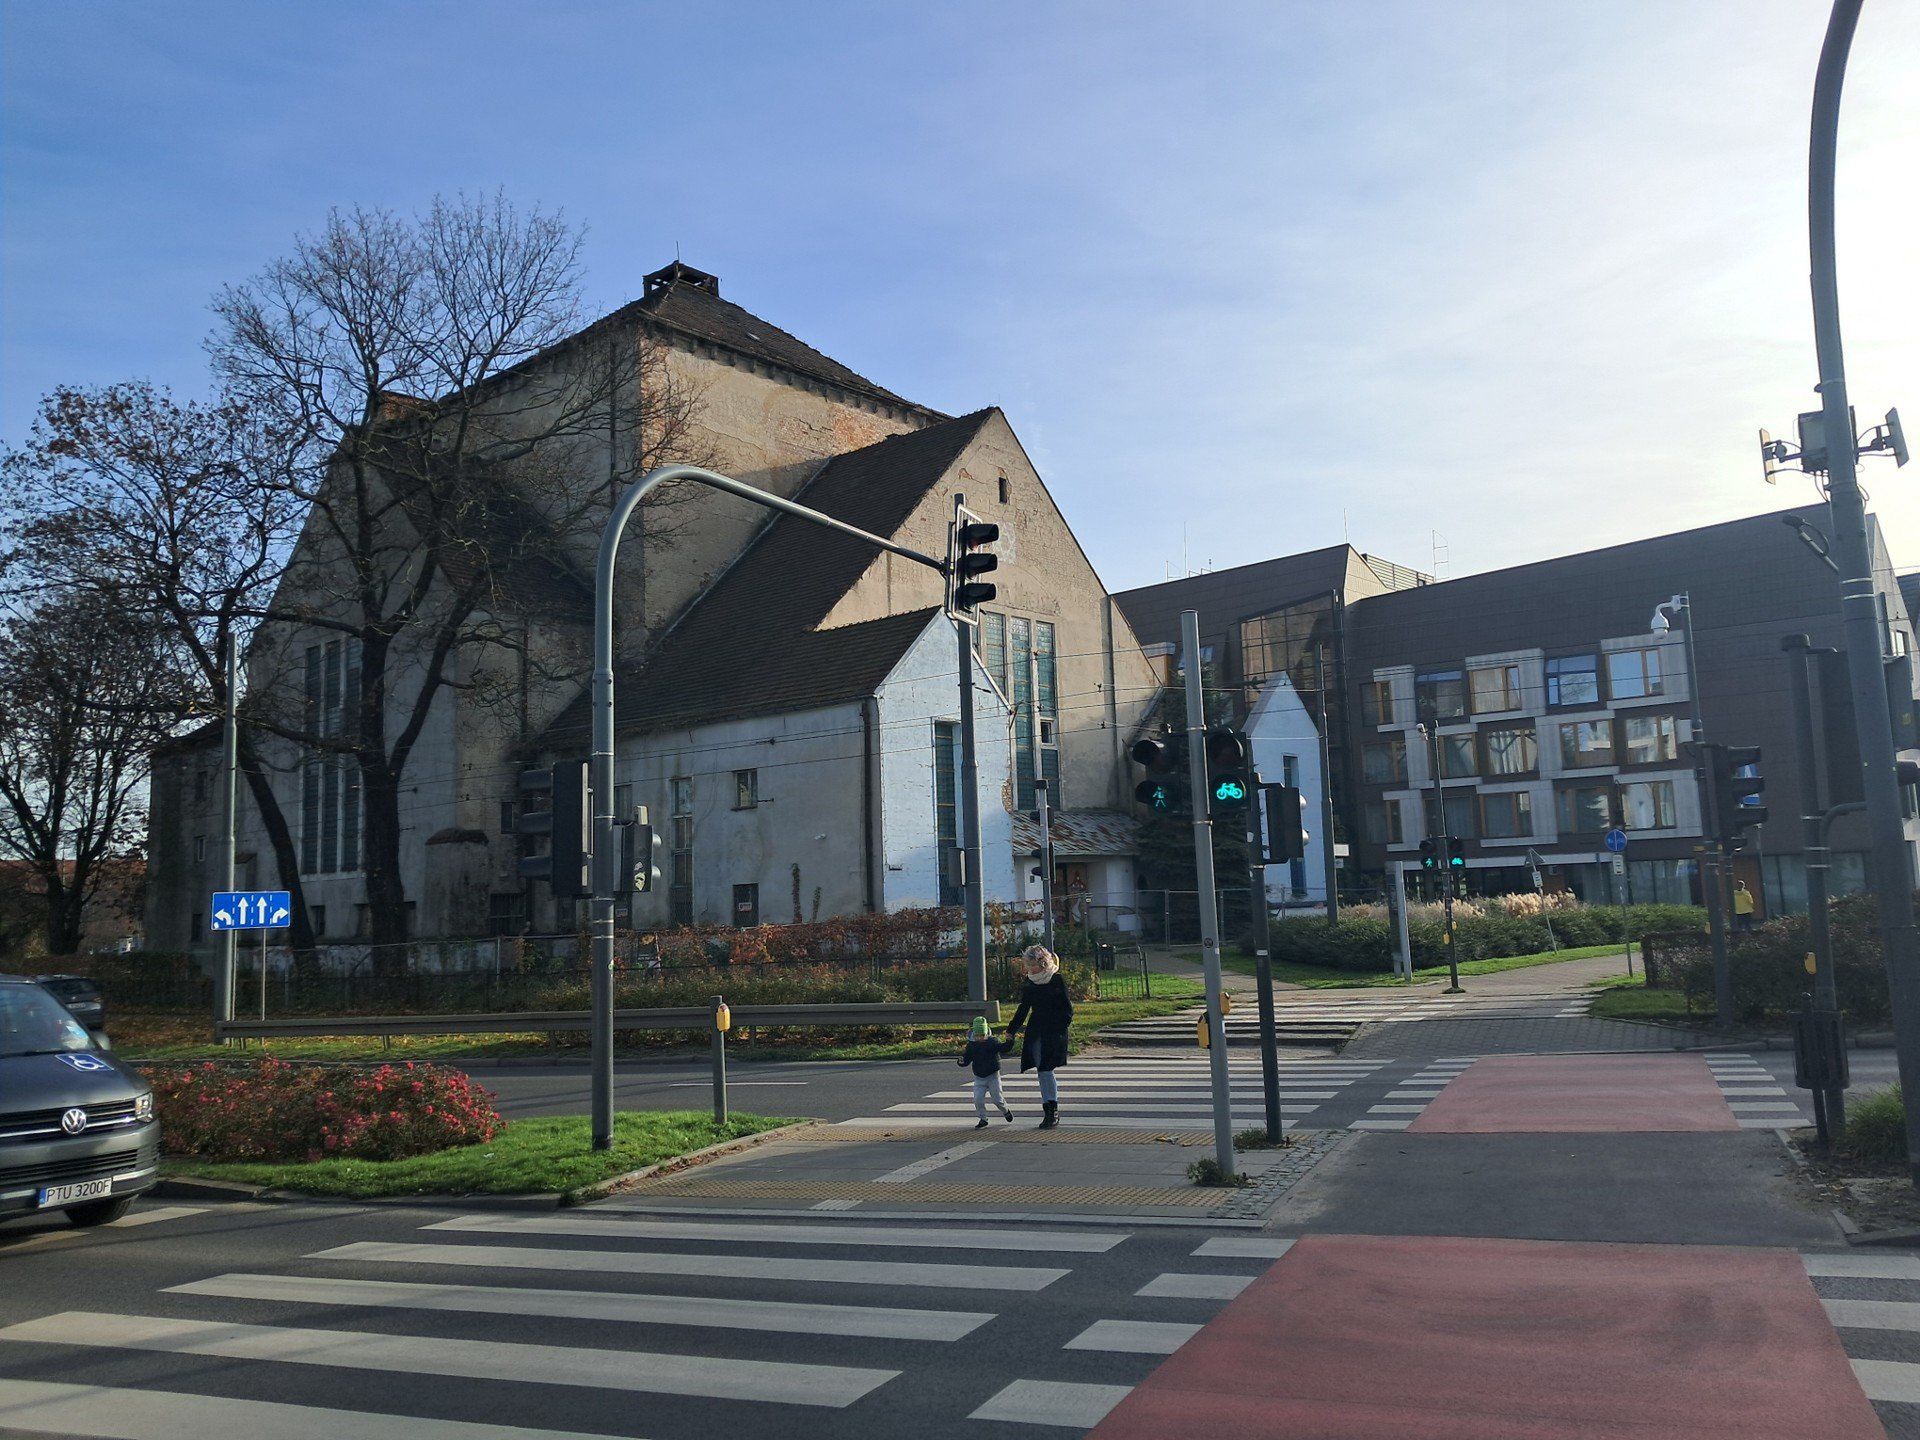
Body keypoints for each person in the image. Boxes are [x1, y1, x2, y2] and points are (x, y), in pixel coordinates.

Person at [1006, 944, 1073, 1129]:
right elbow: (1023, 1008)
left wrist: (1060, 1028)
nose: (1028, 969)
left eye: (1031, 964)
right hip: (1036, 1031)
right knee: (1041, 1070)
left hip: (1054, 1031)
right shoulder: (1030, 983)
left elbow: (1067, 1010)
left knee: (1046, 1069)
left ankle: (1053, 1110)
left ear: (1042, 963)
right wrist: (1011, 1029)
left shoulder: (1056, 980)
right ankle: (1048, 1109)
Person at [957, 1016, 1015, 1128]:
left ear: (986, 1033)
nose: (980, 1038)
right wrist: (961, 1062)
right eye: (978, 1035)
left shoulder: (992, 1042)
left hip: (993, 1076)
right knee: (978, 1099)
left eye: (982, 1035)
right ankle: (983, 1119)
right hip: (979, 1077)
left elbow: (1004, 1048)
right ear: (974, 1034)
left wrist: (1010, 1040)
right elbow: (967, 1059)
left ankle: (1005, 1110)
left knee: (997, 1100)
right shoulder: (971, 1046)